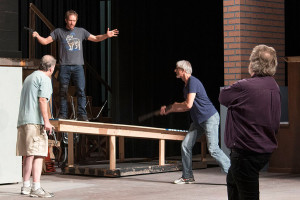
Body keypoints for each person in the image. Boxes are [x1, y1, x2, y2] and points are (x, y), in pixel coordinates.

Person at [32, 10, 119, 121]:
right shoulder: (59, 32)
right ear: (66, 20)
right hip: (65, 66)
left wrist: (106, 35)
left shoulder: (81, 31)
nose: (72, 23)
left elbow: (96, 38)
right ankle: (63, 114)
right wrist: (38, 36)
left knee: (81, 90)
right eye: (70, 21)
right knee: (63, 91)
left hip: (78, 66)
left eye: (74, 21)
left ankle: (82, 114)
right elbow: (45, 41)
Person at [219, 44, 281, 200]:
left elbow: (223, 97)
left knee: (248, 194)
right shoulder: (274, 85)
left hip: (246, 151)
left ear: (253, 63)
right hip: (264, 149)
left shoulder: (244, 86)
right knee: (233, 181)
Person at [160, 60, 230, 184]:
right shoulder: (186, 86)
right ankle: (187, 176)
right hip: (198, 122)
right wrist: (169, 109)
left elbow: (188, 105)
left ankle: (234, 174)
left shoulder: (193, 82)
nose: (175, 70)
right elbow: (186, 107)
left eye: (177, 68)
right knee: (185, 146)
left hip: (209, 118)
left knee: (213, 149)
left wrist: (174, 106)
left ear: (183, 70)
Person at [16, 55, 56, 198]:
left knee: (29, 154)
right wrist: (46, 122)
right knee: (39, 154)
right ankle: (36, 187)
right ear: (51, 68)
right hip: (35, 121)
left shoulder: (29, 78)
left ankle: (26, 186)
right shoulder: (44, 79)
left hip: (24, 121)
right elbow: (42, 100)